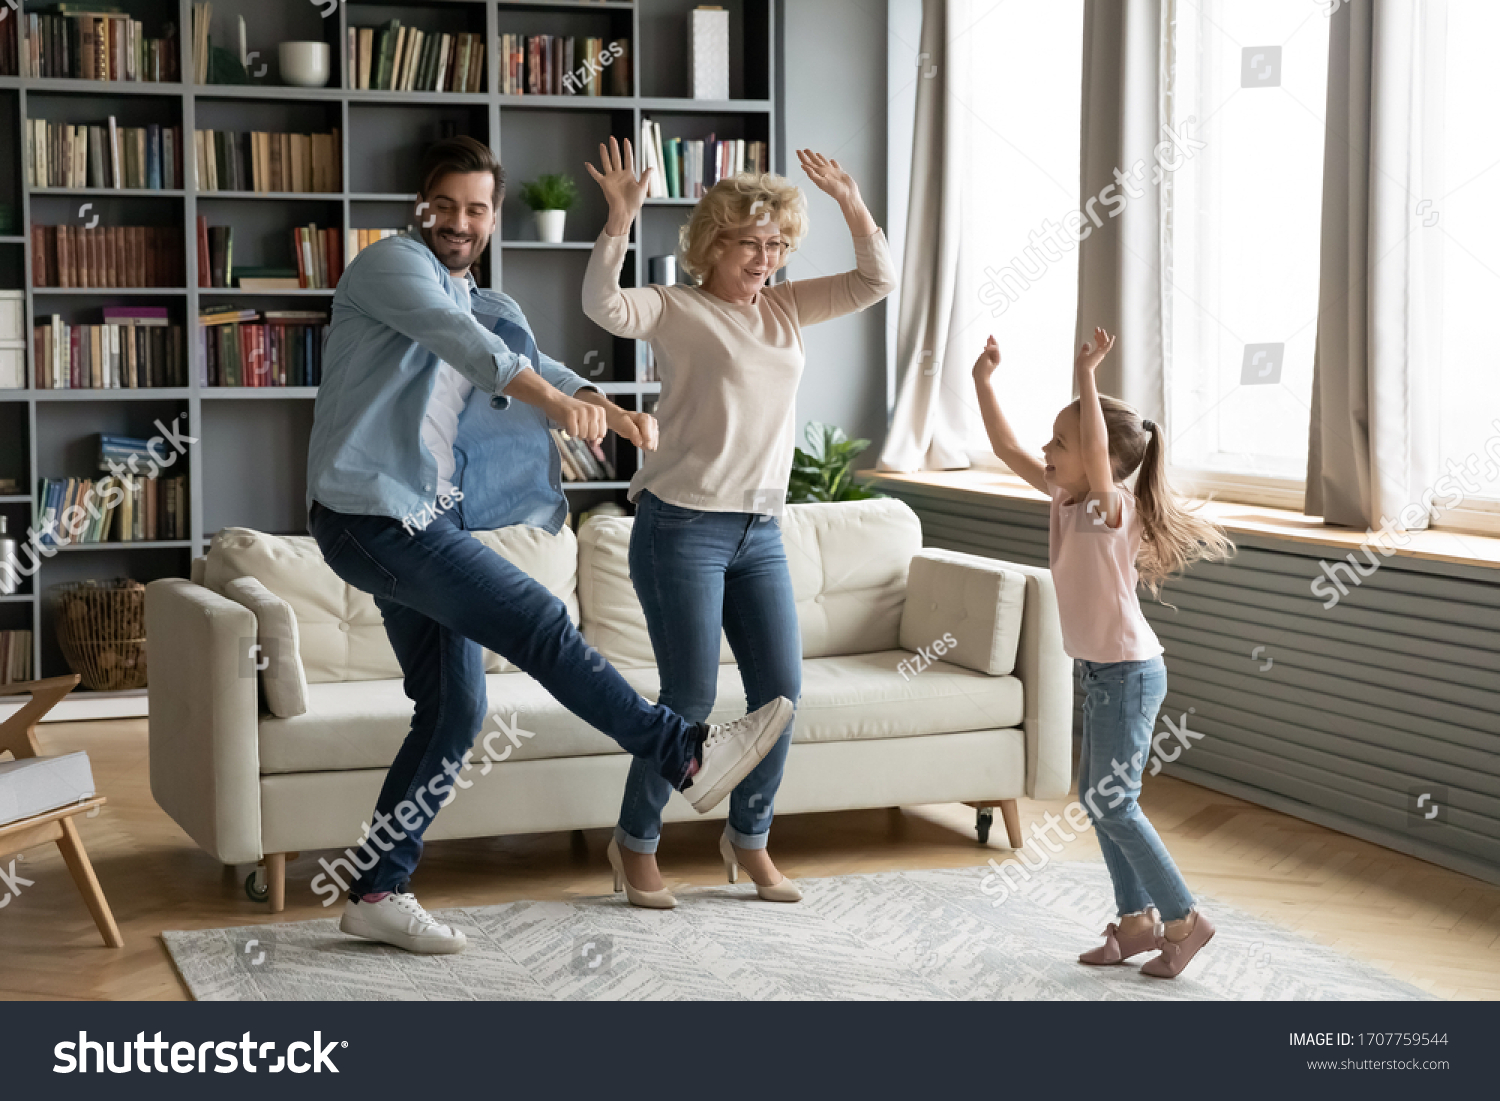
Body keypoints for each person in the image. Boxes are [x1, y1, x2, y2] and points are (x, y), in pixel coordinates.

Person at [305, 135, 792, 954]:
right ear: (423, 208)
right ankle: (687, 756)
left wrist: (605, 403)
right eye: (448, 206)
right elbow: (482, 357)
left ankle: (378, 887)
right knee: (535, 617)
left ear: (494, 216)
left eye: (478, 208)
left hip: (429, 518)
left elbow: (539, 361)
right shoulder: (392, 265)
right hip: (373, 515)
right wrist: (554, 405)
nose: (462, 221)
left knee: (456, 709)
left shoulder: (479, 296)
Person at [581, 138, 897, 907]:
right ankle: (636, 842)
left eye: (778, 243)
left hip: (761, 532)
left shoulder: (786, 308)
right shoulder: (677, 307)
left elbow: (877, 279)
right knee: (686, 701)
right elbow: (604, 306)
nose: (766, 258)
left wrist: (850, 199)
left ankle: (748, 837)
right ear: (712, 243)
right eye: (751, 242)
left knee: (778, 696)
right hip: (681, 526)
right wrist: (621, 219)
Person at [970, 326, 1233, 978]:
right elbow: (1006, 446)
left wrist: (1085, 373)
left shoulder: (1111, 509)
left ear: (1103, 461)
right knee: (1102, 799)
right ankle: (1136, 920)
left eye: (1061, 441)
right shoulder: (1066, 498)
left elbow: (1093, 444)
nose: (1046, 449)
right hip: (1103, 671)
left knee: (1112, 801)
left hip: (1129, 672)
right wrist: (983, 380)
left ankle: (1182, 918)